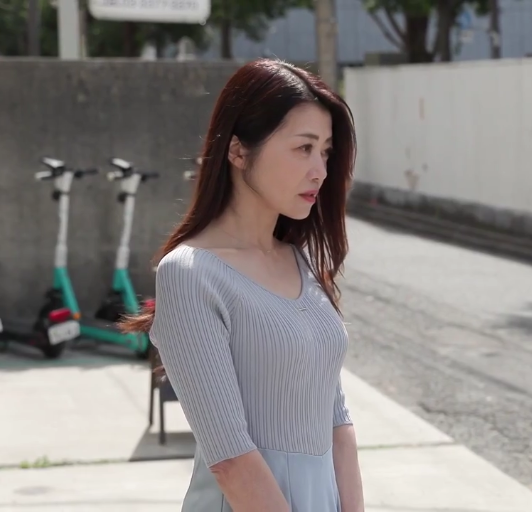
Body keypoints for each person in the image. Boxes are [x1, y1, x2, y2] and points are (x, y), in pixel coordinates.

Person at [120, 58, 364, 512]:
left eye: (326, 152)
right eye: (303, 148)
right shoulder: (190, 274)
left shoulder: (302, 263)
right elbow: (230, 459)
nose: (320, 170)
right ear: (237, 151)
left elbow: (337, 421)